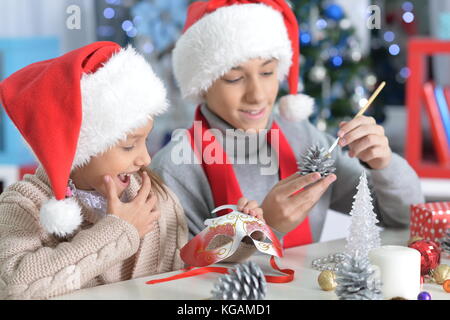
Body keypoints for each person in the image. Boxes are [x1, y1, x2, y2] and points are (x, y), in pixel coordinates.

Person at [151, 0, 424, 248]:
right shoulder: (175, 168)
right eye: (234, 78)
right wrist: (266, 228)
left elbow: (404, 218)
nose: (257, 95)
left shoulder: (303, 137)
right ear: (202, 85)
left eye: (268, 72)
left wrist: (384, 165)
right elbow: (183, 279)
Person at [0, 41, 263, 299]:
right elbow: (13, 286)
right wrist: (118, 230)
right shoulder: (24, 204)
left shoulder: (155, 196)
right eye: (129, 146)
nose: (145, 159)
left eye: (145, 141)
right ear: (78, 149)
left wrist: (237, 234)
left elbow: (185, 261)